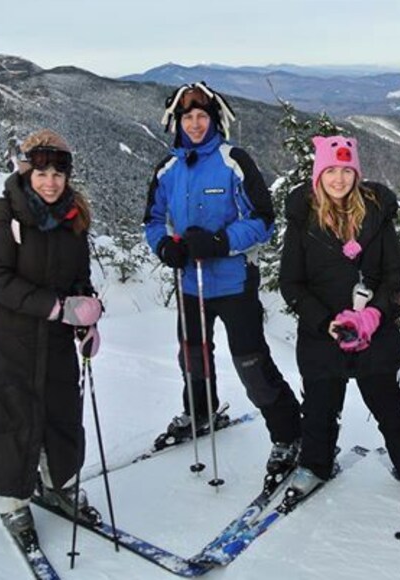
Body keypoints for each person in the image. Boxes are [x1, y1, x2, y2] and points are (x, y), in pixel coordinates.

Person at [0, 129, 104, 552]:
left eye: (58, 172)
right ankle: (11, 503)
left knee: (61, 416)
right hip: (3, 338)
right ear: (25, 170)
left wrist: (86, 320)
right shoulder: (1, 214)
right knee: (5, 420)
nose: (50, 181)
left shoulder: (74, 219)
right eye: (41, 171)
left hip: (52, 341)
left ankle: (59, 484)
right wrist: (57, 308)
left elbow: (79, 280)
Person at [143, 82, 302, 479]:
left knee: (250, 362)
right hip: (190, 284)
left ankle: (289, 432)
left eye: (202, 117)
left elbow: (264, 221)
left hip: (233, 282)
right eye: (188, 117)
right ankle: (200, 412)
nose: (195, 124)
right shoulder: (168, 168)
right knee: (192, 356)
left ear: (215, 120)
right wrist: (165, 246)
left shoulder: (234, 161)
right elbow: (152, 220)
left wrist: (219, 242)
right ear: (176, 122)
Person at [278, 135, 400, 505]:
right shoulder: (303, 220)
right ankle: (315, 465)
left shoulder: (377, 216)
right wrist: (325, 322)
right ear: (319, 174)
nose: (339, 179)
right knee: (319, 406)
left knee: (389, 405)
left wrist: (374, 314)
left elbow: (395, 275)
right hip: (322, 334)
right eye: (330, 170)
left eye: (346, 171)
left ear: (356, 174)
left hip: (373, 331)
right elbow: (291, 283)